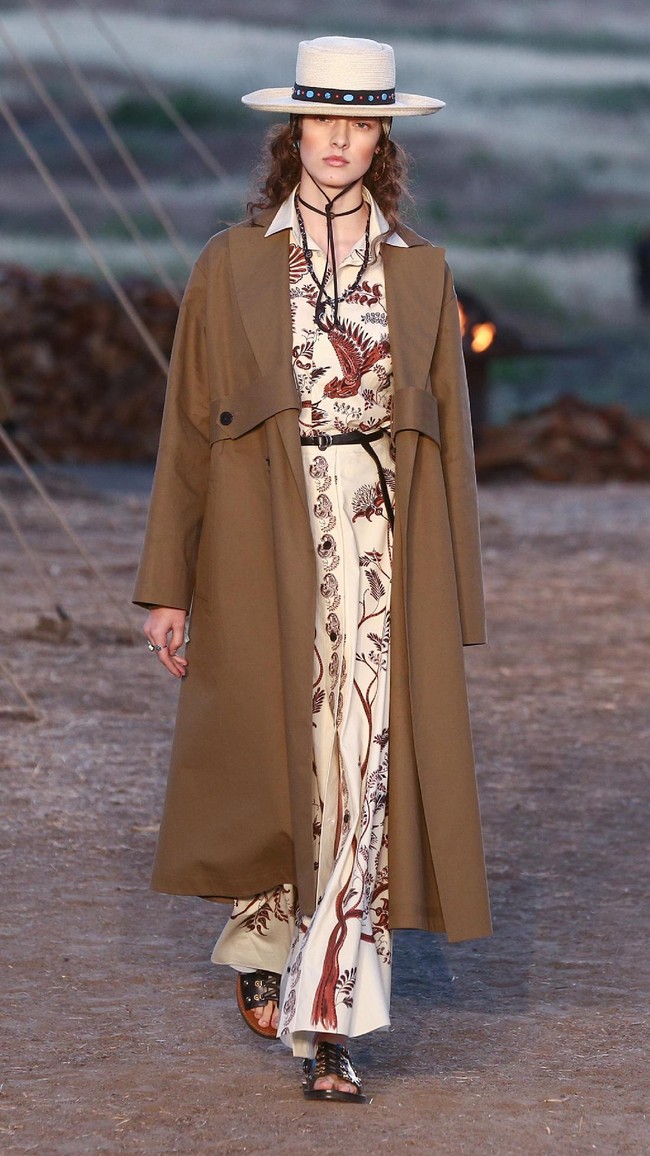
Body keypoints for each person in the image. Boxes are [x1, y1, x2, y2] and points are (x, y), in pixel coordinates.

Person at [134, 36, 492, 1103]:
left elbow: (450, 448)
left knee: (361, 772)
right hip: (258, 541)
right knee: (275, 751)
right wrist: (167, 584)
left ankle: (328, 1021)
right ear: (292, 131)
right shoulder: (230, 264)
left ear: (382, 137)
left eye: (360, 121)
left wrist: (453, 596)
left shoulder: (419, 275)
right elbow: (189, 431)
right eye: (321, 119)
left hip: (381, 545)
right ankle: (261, 934)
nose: (338, 139)